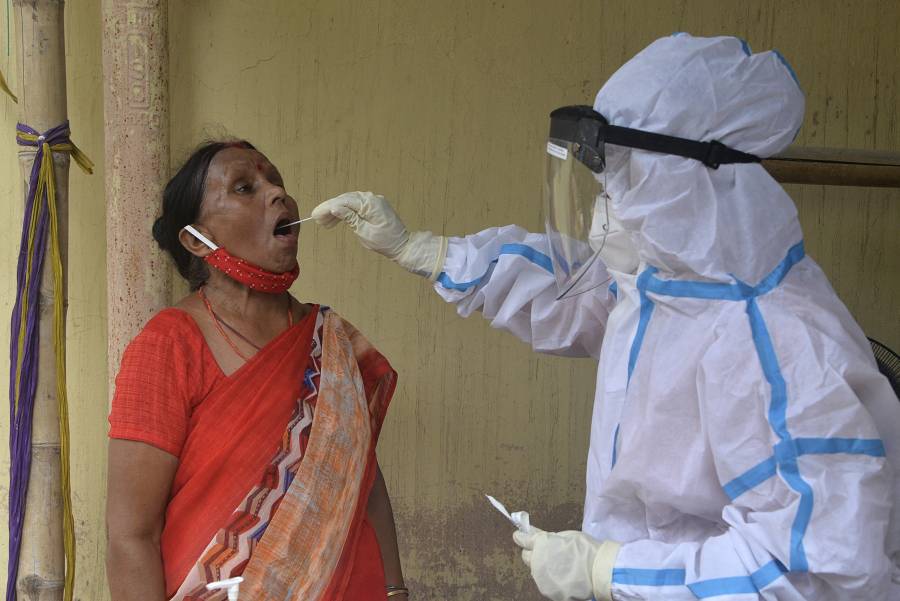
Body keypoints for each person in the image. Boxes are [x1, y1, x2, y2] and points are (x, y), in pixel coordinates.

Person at [311, 34, 900, 600]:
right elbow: (573, 291)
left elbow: (820, 573)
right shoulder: (672, 289)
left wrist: (610, 569)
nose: (603, 209)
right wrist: (427, 251)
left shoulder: (780, 346)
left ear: (695, 180)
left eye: (622, 183)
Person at [105, 141, 408, 601]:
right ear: (194, 239)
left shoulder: (333, 342)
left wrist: (396, 591)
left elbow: (362, 482)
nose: (276, 195)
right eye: (245, 188)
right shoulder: (168, 345)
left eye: (275, 181)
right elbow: (131, 536)